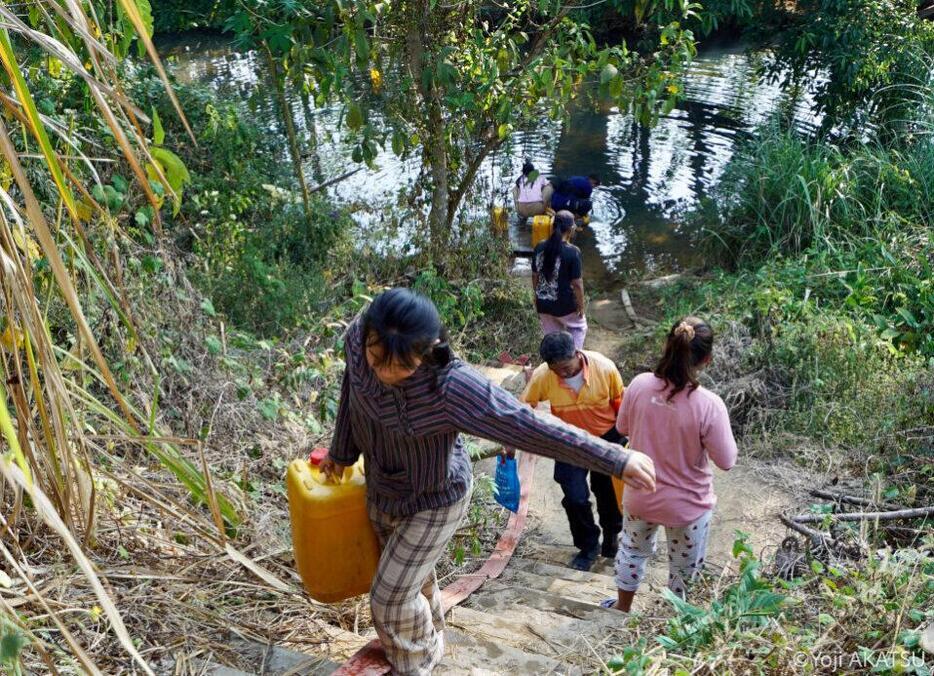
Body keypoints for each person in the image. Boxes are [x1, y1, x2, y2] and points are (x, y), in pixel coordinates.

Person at [321, 288, 656, 675]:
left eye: (399, 366)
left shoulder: (450, 386)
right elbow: (352, 390)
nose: (383, 373)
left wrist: (614, 457)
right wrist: (341, 452)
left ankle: (415, 666)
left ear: (427, 351)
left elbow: (527, 424)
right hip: (383, 488)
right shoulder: (358, 339)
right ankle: (431, 643)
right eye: (376, 358)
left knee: (389, 595)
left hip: (436, 497)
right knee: (415, 581)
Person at [603, 317, 738, 613]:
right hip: (687, 506)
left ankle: (621, 608)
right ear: (707, 359)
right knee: (683, 567)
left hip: (640, 494)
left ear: (667, 346)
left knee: (631, 551)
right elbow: (727, 461)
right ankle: (672, 620)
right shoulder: (709, 404)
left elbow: (623, 426)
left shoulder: (638, 385)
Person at [521, 332, 626, 571]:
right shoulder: (543, 376)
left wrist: (628, 439)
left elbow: (621, 406)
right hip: (569, 440)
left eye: (568, 368)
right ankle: (588, 546)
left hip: (607, 437)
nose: (564, 374)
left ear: (577, 355)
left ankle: (612, 537)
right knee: (575, 497)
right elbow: (526, 405)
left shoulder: (604, 368)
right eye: (558, 371)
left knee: (608, 492)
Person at [531, 210, 587, 350]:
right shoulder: (573, 251)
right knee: (579, 327)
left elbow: (535, 275)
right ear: (571, 230)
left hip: (543, 304)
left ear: (553, 226)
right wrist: (581, 305)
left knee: (553, 338)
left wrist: (537, 296)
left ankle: (555, 364)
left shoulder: (539, 247)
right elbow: (577, 284)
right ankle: (574, 356)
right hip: (565, 306)